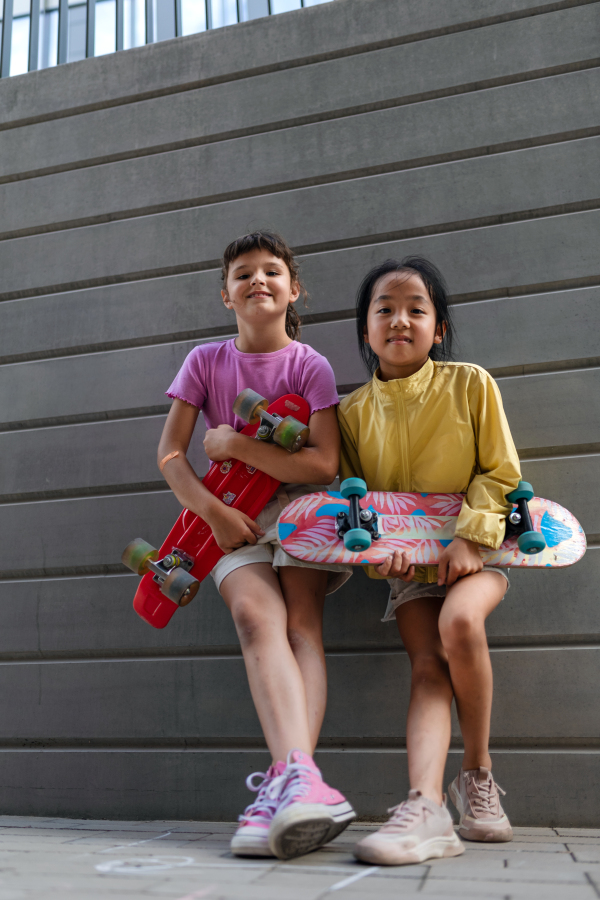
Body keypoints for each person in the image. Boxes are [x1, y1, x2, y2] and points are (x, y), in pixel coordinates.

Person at [157, 231, 354, 861]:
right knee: (253, 617)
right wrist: (213, 515)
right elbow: (169, 455)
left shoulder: (309, 366)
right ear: (226, 294)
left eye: (272, 271)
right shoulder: (204, 362)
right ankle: (300, 782)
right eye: (243, 274)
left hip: (300, 513)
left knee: (301, 628)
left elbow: (324, 465)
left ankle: (292, 781)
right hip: (228, 520)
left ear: (294, 290)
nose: (258, 280)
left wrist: (239, 446)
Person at [337, 257, 520, 866]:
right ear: (365, 329)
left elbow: (499, 471)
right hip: (409, 570)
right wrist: (380, 558)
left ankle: (477, 775)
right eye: (384, 308)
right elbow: (354, 504)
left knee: (460, 624)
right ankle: (424, 805)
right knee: (425, 668)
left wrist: (470, 538)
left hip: (479, 549)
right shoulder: (351, 413)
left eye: (417, 308)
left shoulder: (471, 383)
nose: (400, 319)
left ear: (438, 327)